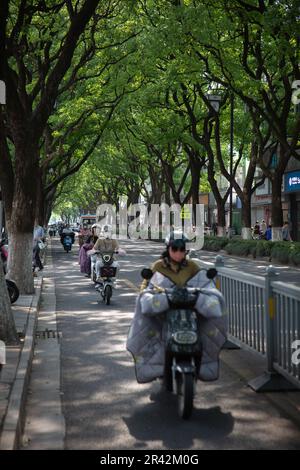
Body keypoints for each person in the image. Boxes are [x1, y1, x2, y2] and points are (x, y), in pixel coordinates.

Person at [127, 231, 227, 384]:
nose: (179, 253)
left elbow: (204, 282)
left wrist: (209, 292)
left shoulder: (192, 266)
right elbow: (146, 286)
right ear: (168, 248)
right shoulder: (158, 266)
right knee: (154, 334)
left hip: (190, 308)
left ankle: (202, 367)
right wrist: (146, 295)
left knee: (204, 332)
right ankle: (158, 366)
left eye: (182, 249)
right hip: (165, 310)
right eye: (175, 248)